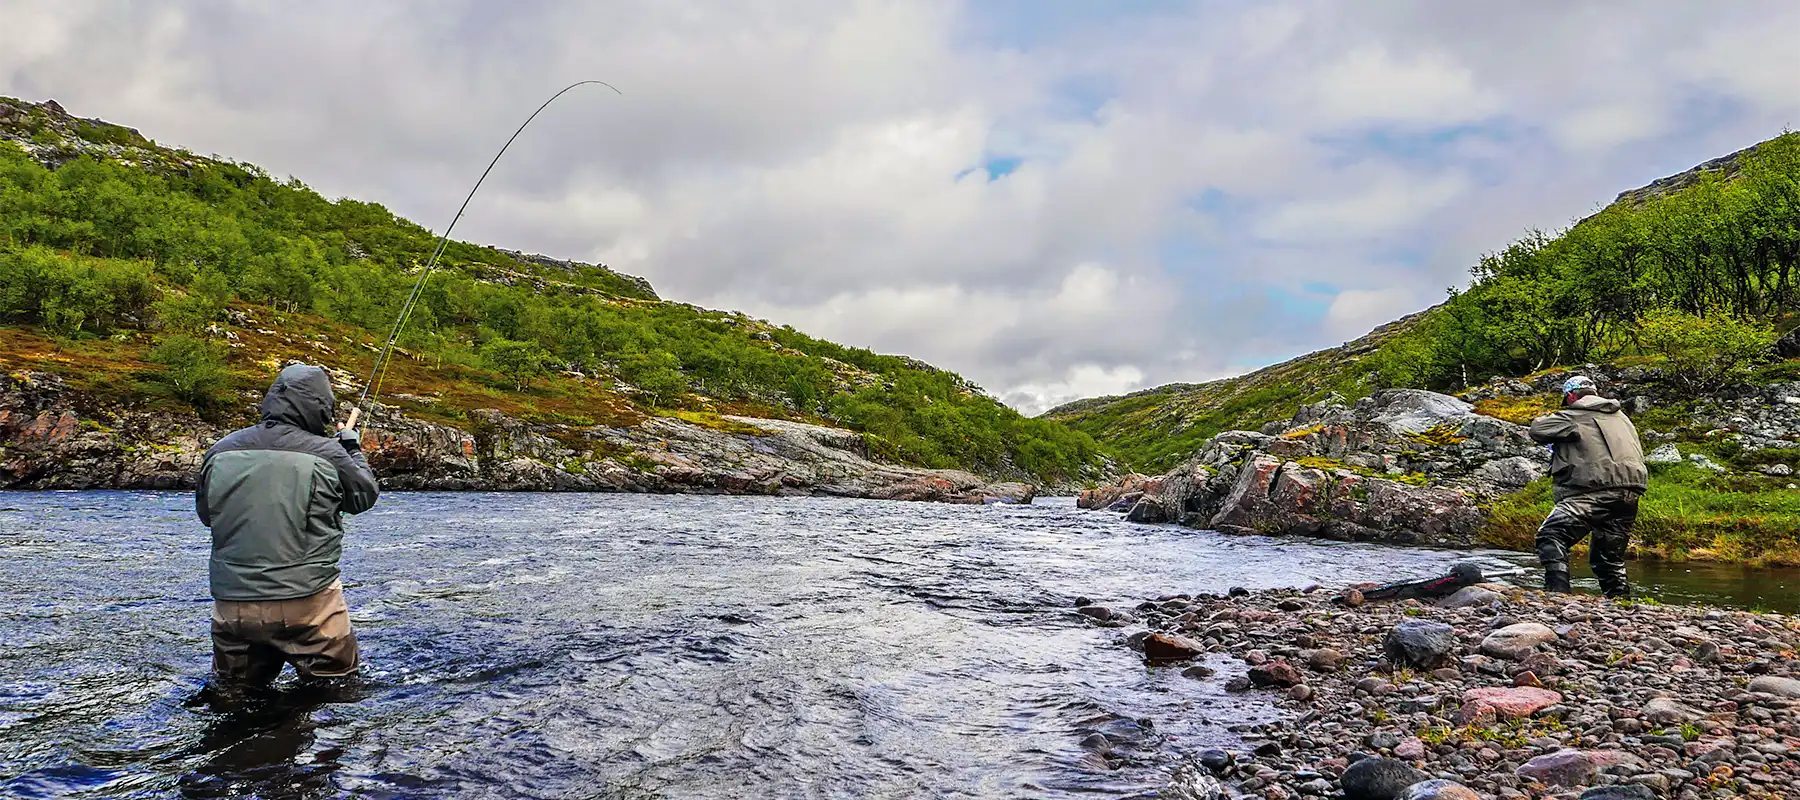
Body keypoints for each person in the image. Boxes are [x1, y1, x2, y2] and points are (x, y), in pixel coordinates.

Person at [196, 363, 379, 691]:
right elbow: (364, 496)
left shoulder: (219, 451)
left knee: (234, 700)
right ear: (320, 408)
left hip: (231, 609)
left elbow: (207, 515)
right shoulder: (329, 453)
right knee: (335, 696)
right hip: (309, 608)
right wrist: (351, 447)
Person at [1527, 375, 1648, 598]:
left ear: (1571, 396)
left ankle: (1557, 596)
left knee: (1551, 535)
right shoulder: (1622, 418)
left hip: (1594, 490)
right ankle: (1622, 604)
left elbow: (1538, 430)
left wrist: (1551, 414)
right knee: (1608, 557)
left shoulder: (1573, 415)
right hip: (1631, 492)